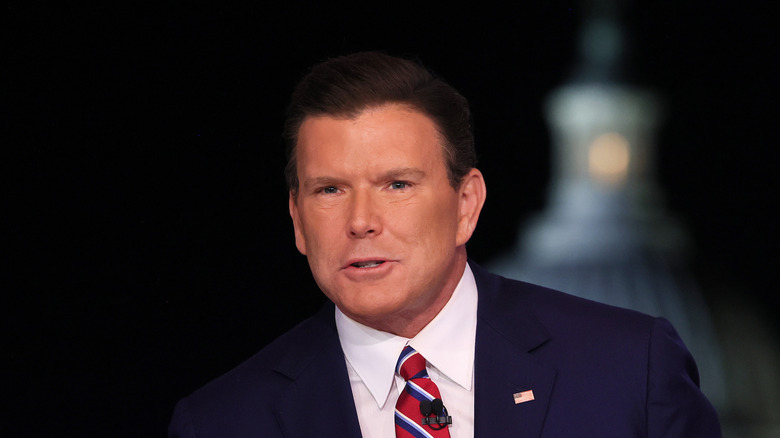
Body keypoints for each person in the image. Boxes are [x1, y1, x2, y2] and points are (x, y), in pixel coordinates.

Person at [169, 52, 721, 437]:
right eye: (330, 189)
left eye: (397, 185)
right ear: (296, 218)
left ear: (466, 204)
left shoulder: (629, 370)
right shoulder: (223, 422)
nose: (361, 221)